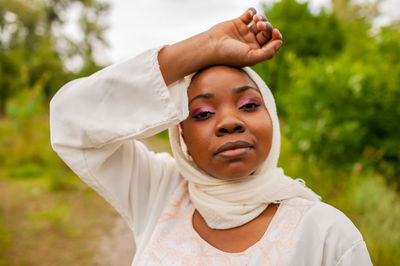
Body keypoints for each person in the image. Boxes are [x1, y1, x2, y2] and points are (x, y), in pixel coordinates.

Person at [50, 8, 372, 266]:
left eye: (248, 105)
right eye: (202, 113)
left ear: (271, 116)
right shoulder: (160, 191)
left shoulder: (327, 235)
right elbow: (69, 119)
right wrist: (208, 44)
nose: (229, 122)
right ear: (181, 133)